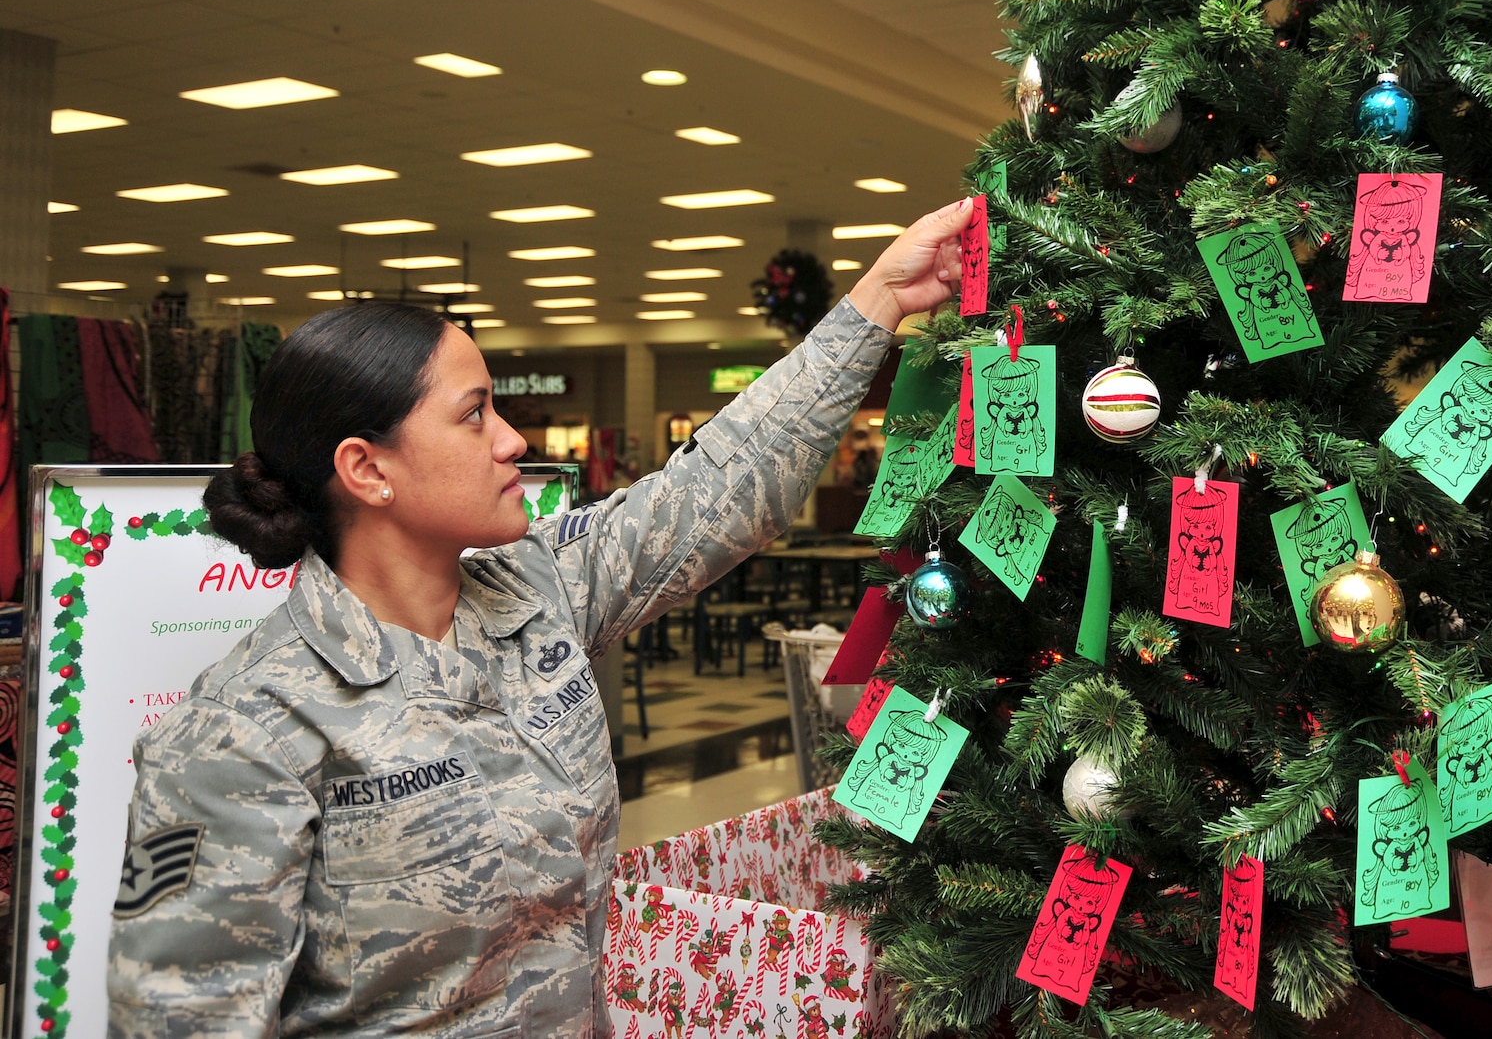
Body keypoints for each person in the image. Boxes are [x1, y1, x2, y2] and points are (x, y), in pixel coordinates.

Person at [105, 201, 975, 1038]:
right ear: (367, 470)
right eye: (474, 413)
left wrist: (879, 303)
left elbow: (717, 488)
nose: (514, 440)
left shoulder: (535, 591)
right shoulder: (243, 733)